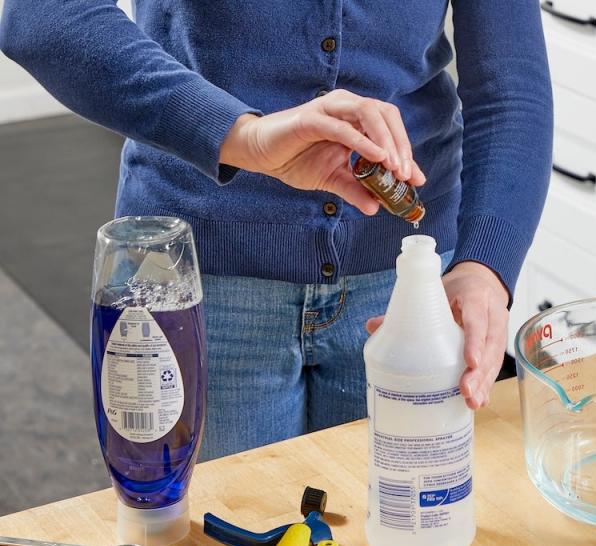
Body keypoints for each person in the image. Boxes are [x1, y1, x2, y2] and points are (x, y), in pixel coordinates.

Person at [0, 1, 552, 459]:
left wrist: (483, 267)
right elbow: (43, 15)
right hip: (201, 281)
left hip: (410, 287)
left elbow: (511, 88)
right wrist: (245, 138)